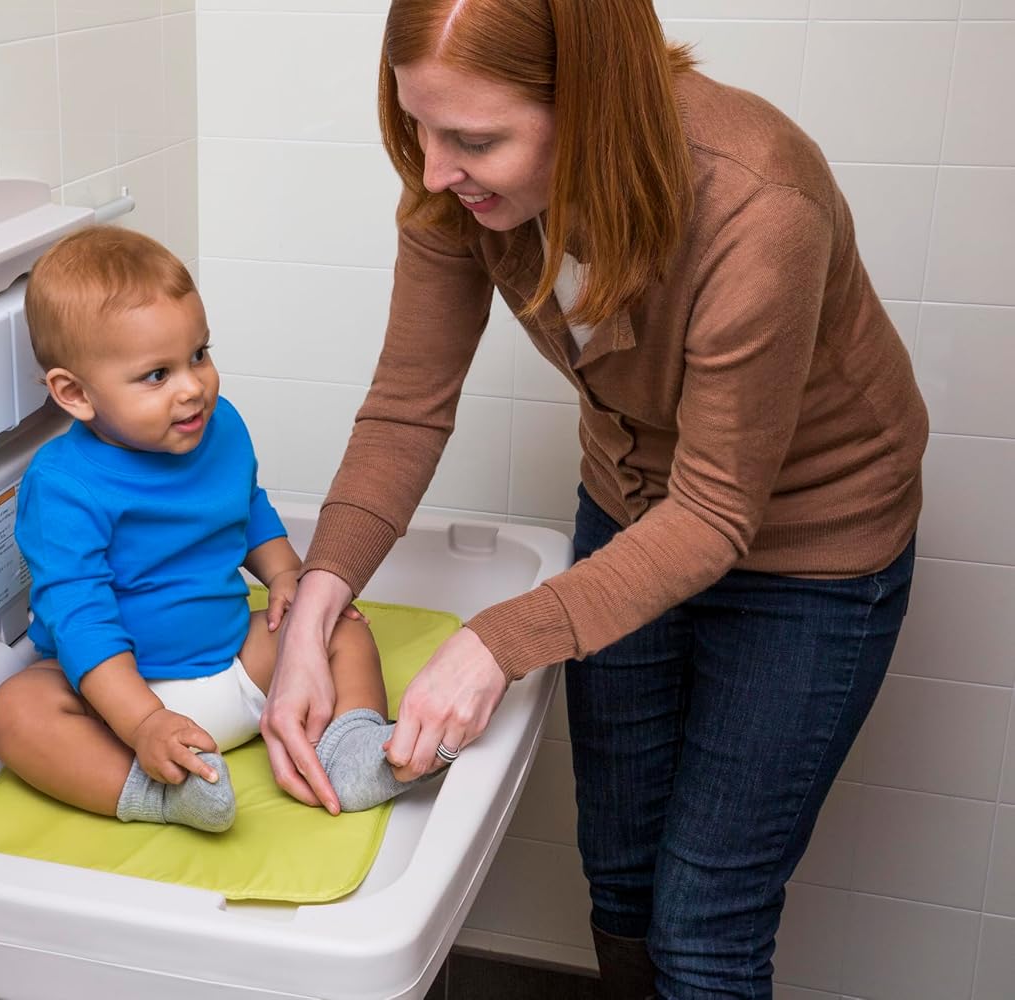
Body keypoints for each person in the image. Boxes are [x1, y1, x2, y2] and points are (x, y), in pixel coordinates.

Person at [260, 1, 927, 996]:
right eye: (419, 127)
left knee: (703, 921)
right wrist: (312, 611)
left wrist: (498, 638)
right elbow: (406, 410)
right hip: (633, 506)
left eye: (475, 139)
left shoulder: (758, 201)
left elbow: (713, 516)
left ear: (590, 109)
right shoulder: (451, 190)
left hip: (813, 550)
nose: (434, 171)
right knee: (617, 873)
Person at [0, 226, 431, 834]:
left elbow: (247, 507)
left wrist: (285, 575)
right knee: (16, 712)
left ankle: (351, 746)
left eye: (199, 354)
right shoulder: (63, 486)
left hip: (236, 665)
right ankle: (159, 793)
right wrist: (143, 722)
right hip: (117, 703)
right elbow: (79, 618)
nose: (193, 387)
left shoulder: (218, 429)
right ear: (75, 393)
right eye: (156, 375)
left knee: (338, 625)